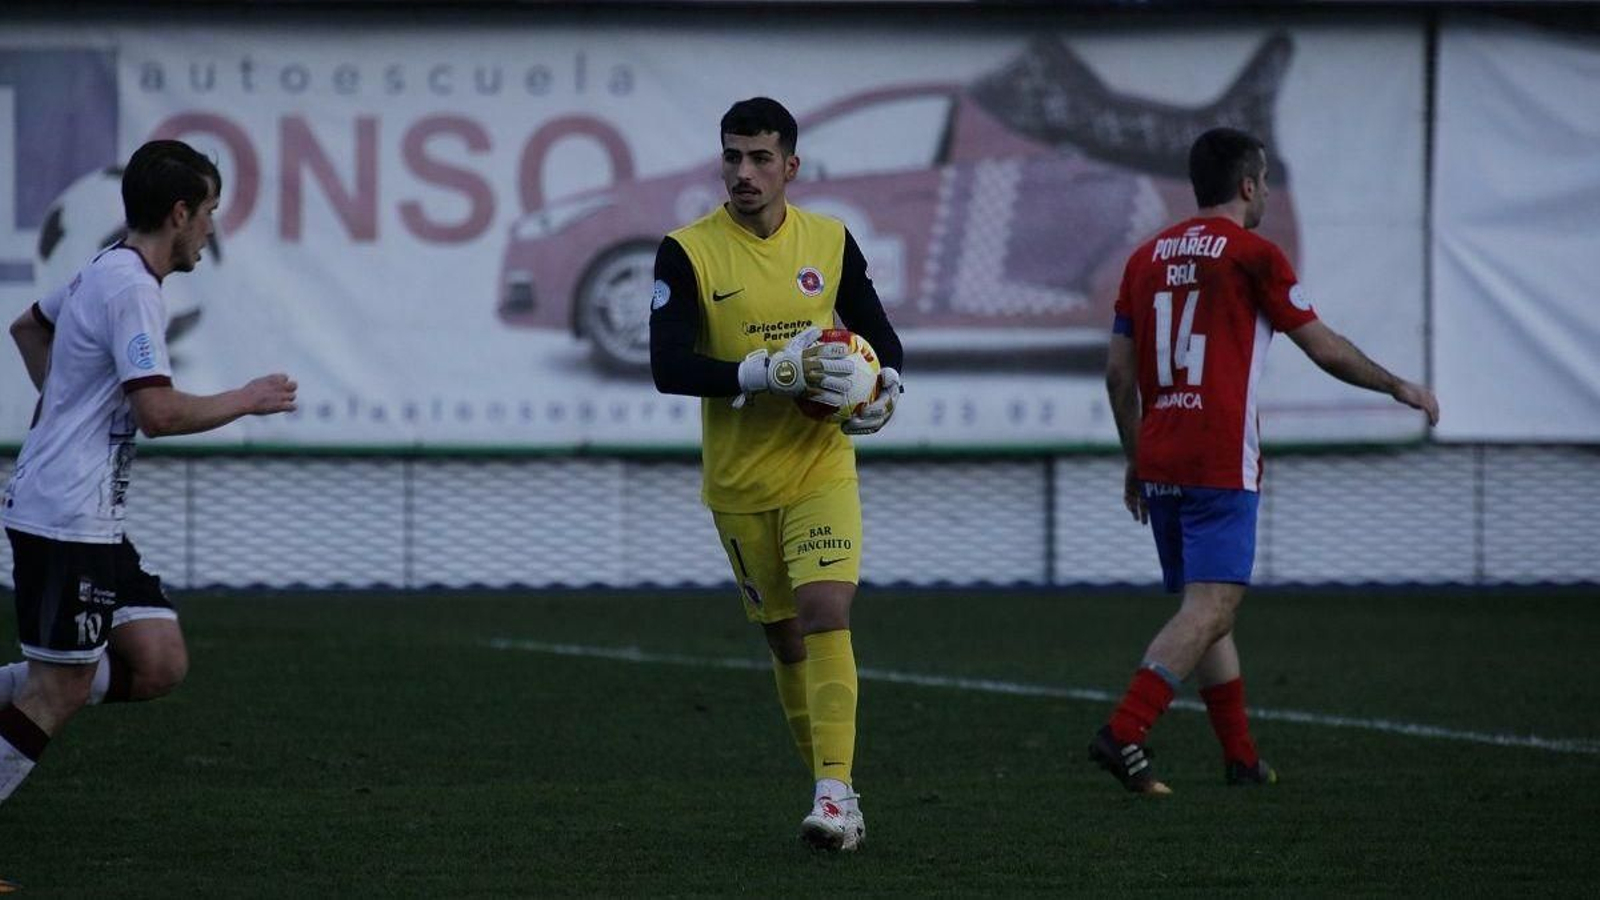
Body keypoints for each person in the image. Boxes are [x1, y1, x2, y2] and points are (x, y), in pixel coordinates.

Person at [1091, 127, 1439, 794]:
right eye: (1266, 184)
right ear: (1249, 185)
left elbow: (1116, 375)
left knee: (1207, 605)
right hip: (1220, 454)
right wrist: (1398, 385)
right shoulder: (1254, 254)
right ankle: (1125, 731)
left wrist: (1135, 458)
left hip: (1161, 455)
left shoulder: (1145, 258)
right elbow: (1325, 348)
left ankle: (1242, 760)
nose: (1267, 196)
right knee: (1213, 606)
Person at [0, 139, 297, 805]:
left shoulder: (101, 270)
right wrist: (246, 399)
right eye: (211, 211)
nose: (211, 229)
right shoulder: (133, 289)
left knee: (158, 659)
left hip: (88, 515)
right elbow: (158, 413)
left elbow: (28, 328)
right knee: (62, 689)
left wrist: (63, 409)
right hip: (65, 515)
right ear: (180, 212)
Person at [649, 97, 903, 850]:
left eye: (760, 158)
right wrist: (762, 370)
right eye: (732, 157)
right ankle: (841, 790)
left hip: (820, 466)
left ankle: (830, 798)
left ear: (791, 166)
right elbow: (667, 366)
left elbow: (879, 335)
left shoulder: (828, 239)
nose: (743, 173)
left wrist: (887, 387)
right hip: (739, 485)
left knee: (827, 610)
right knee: (787, 641)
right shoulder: (686, 250)